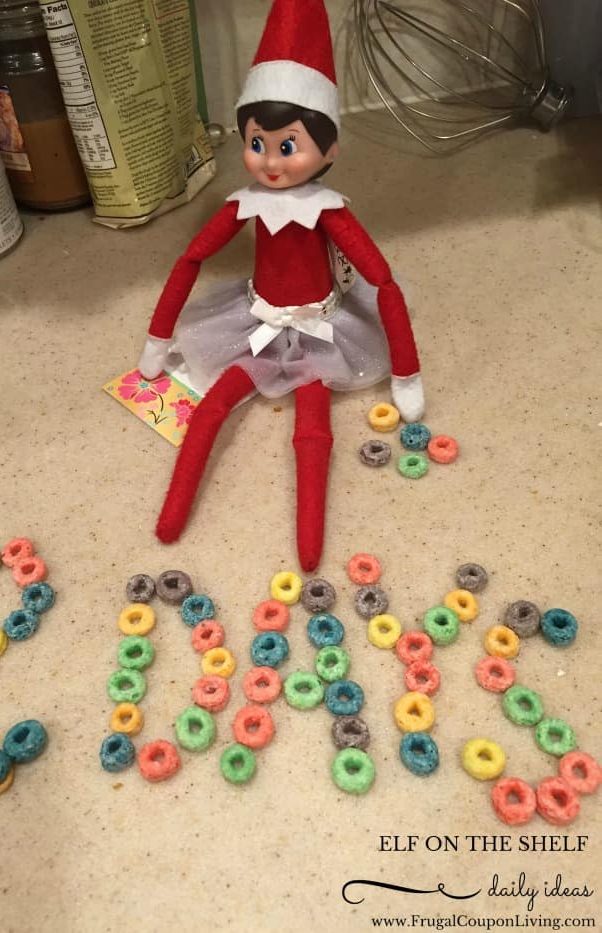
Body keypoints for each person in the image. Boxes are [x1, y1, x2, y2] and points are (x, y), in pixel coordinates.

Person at [138, 0, 424, 571]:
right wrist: (157, 339)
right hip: (255, 323)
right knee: (211, 410)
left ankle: (310, 554)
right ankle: (169, 520)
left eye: (287, 145)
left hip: (323, 330)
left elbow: (382, 280)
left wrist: (406, 372)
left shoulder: (329, 211)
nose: (270, 161)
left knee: (313, 429)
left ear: (329, 150)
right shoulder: (243, 204)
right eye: (257, 143)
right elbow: (192, 258)